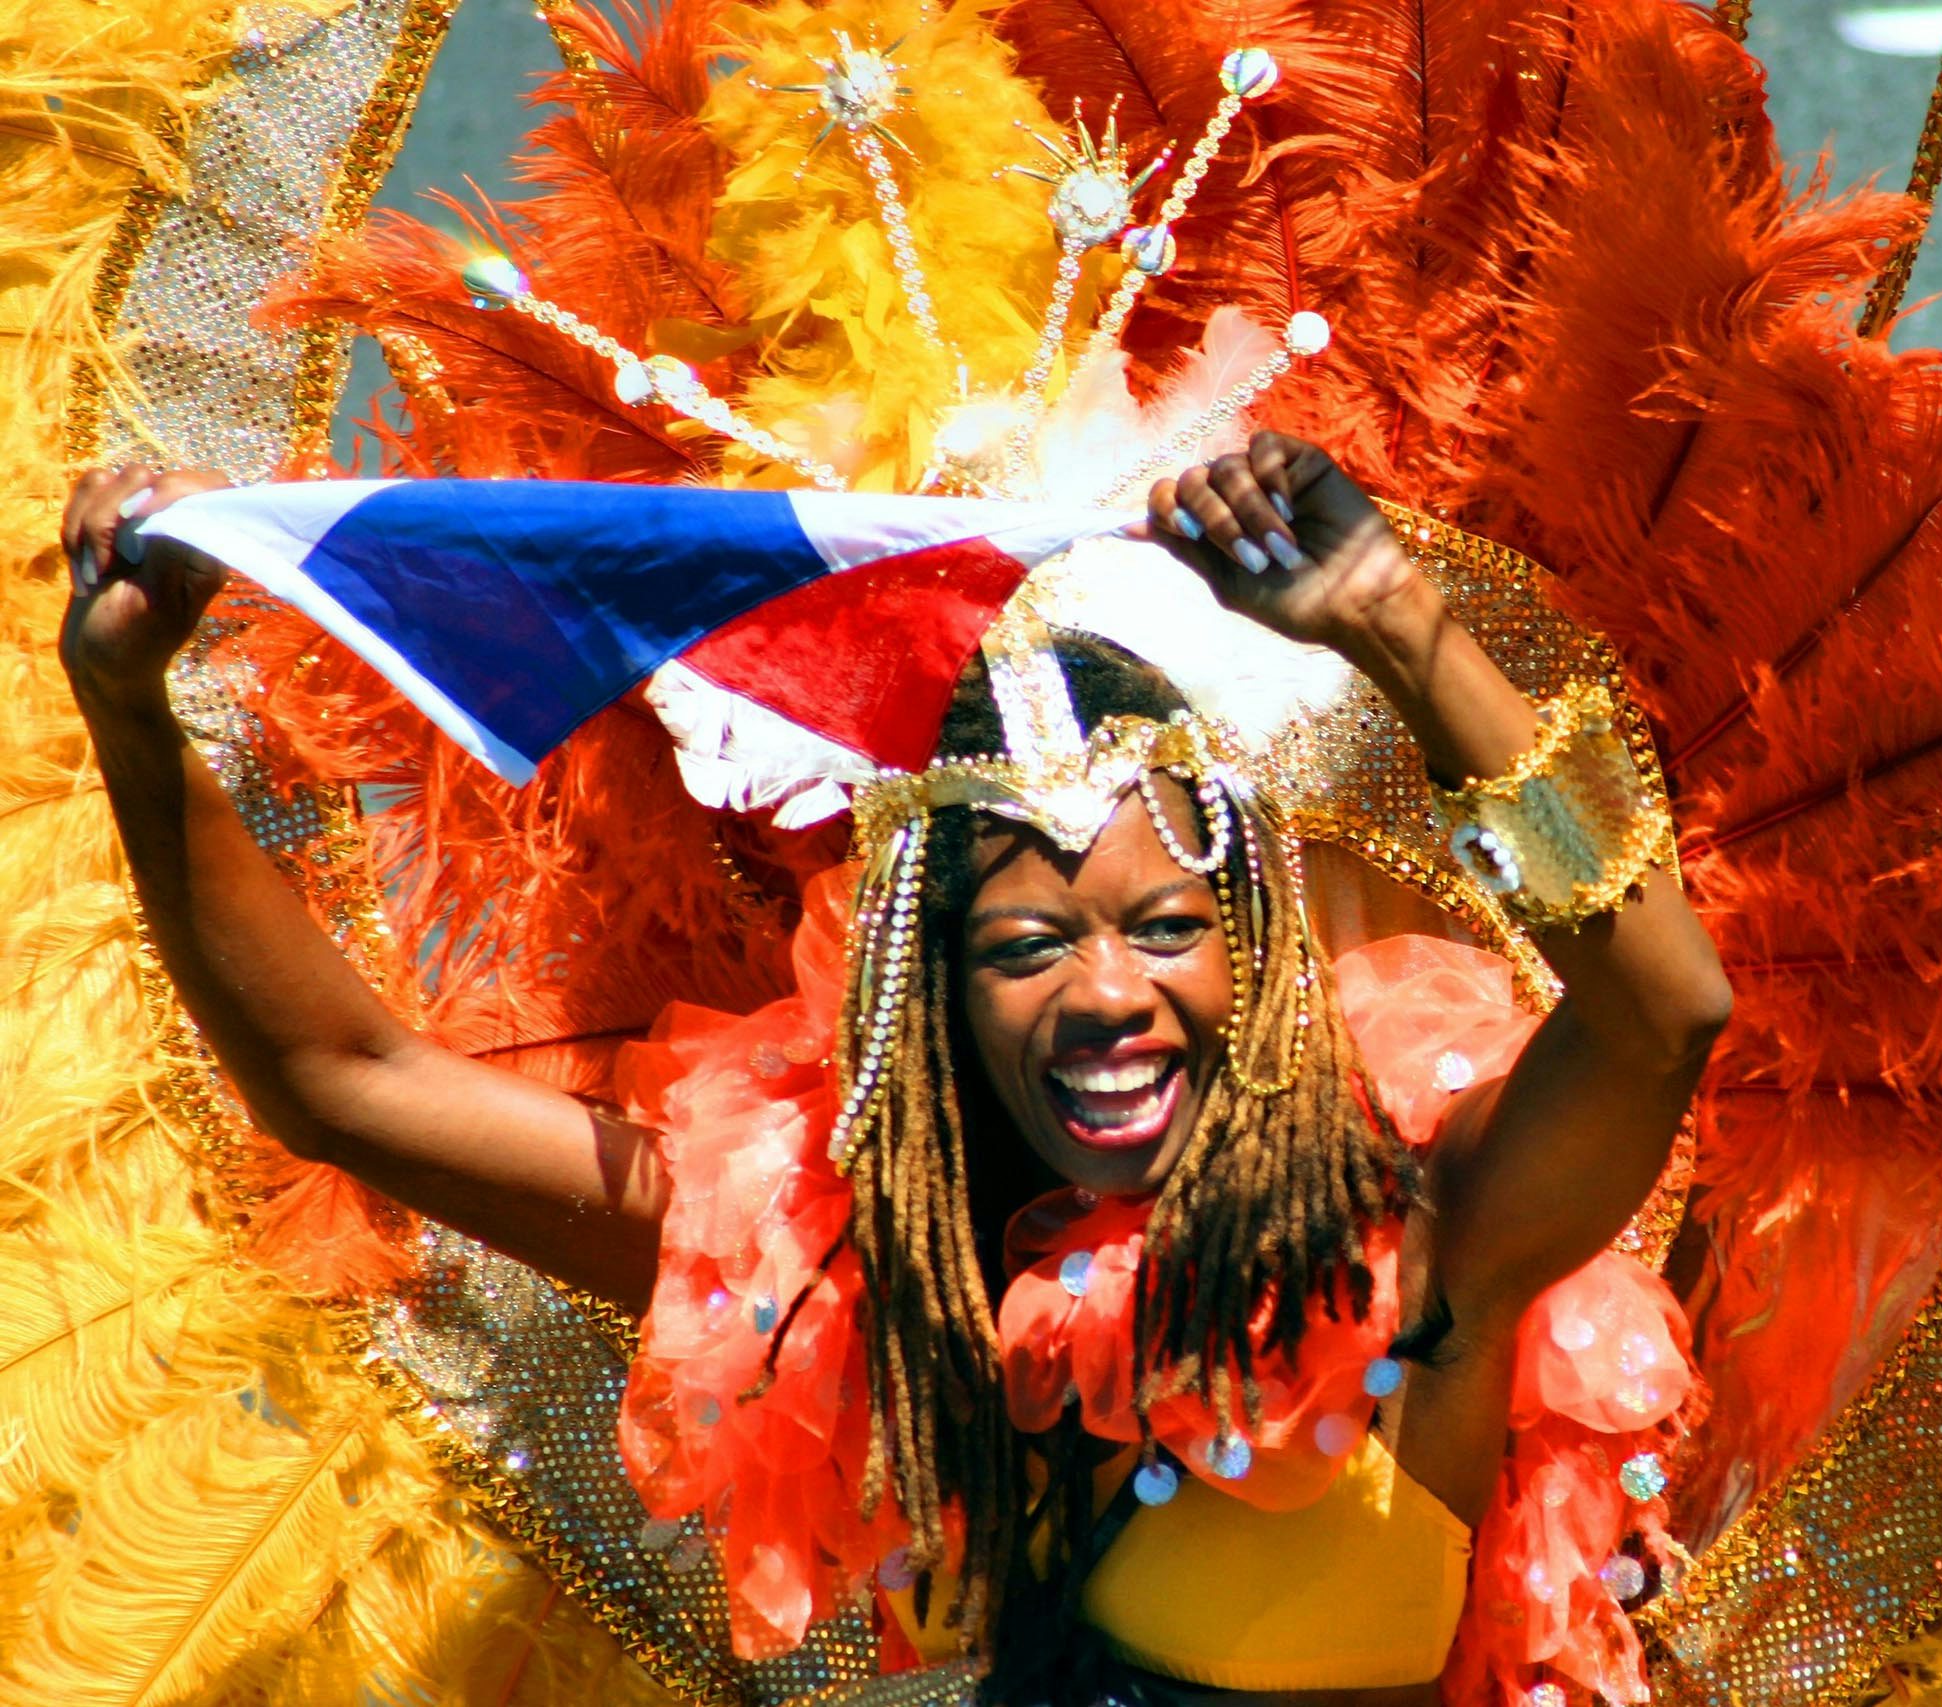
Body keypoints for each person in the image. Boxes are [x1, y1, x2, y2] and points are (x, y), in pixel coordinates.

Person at [58, 430, 1731, 1699]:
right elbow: (345, 1084)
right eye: (1022, 948)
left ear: (1258, 955)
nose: (1103, 997)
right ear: (935, 1002)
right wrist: (135, 713)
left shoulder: (1430, 1238)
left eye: (1163, 928)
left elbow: (1662, 1007)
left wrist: (1398, 626)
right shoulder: (851, 1258)